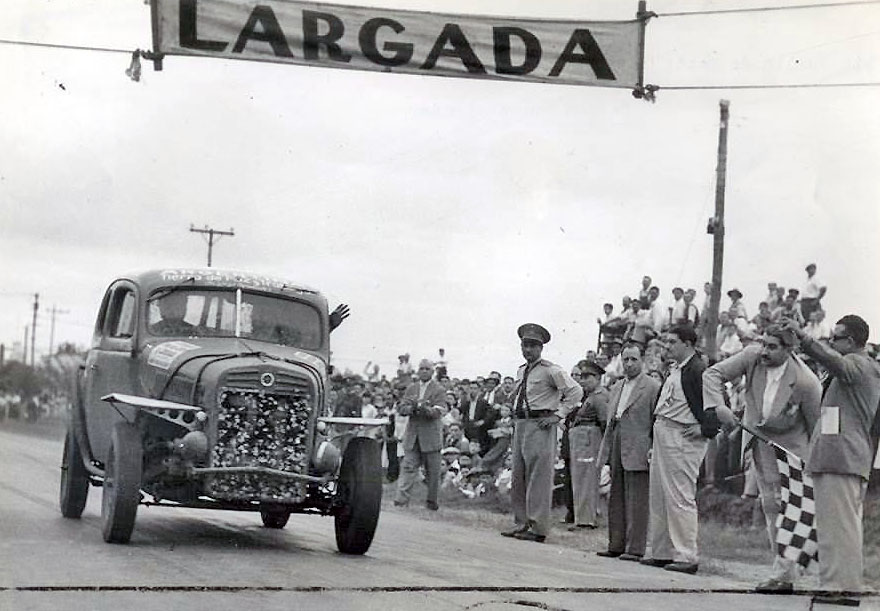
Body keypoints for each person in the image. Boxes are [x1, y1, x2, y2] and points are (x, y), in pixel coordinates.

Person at [703, 324, 821, 594]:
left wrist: (812, 465)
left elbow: (816, 428)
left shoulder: (807, 382)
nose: (764, 351)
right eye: (764, 344)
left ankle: (787, 575)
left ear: (790, 350)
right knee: (770, 507)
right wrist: (719, 406)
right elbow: (713, 374)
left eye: (772, 347)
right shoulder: (751, 356)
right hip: (759, 444)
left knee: (789, 509)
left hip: (793, 451)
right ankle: (783, 571)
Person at [788, 315, 880, 594]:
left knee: (837, 526)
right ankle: (842, 582)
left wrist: (804, 336)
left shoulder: (857, 364)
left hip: (842, 457)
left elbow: (834, 361)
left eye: (835, 337)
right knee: (838, 524)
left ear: (850, 341)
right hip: (839, 456)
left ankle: (839, 584)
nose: (830, 342)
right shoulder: (859, 369)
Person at [641, 325, 719, 574]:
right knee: (659, 495)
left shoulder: (699, 369)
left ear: (687, 343)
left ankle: (686, 555)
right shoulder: (676, 369)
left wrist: (706, 429)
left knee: (679, 495)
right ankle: (662, 551)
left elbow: (719, 403)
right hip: (664, 431)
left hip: (683, 435)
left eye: (673, 342)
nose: (667, 346)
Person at [500, 323, 583, 543]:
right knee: (519, 476)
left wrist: (558, 415)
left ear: (541, 348)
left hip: (541, 424)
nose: (528, 350)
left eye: (533, 346)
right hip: (521, 424)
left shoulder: (551, 370)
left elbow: (575, 391)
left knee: (538, 477)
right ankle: (521, 522)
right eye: (525, 345)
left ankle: (538, 527)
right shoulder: (521, 370)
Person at [596, 344, 660, 560]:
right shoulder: (616, 387)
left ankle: (634, 548)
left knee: (637, 500)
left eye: (633, 359)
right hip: (617, 441)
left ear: (642, 360)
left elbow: (655, 421)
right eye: (626, 360)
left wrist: (651, 447)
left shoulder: (652, 387)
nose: (629, 364)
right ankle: (616, 544)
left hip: (640, 446)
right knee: (616, 496)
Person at [394, 359, 447, 510]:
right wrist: (414, 407)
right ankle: (401, 501)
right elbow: (402, 408)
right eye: (421, 368)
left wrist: (420, 407)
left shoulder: (439, 389)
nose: (424, 371)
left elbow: (438, 411)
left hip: (431, 437)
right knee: (408, 468)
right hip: (412, 436)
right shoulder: (411, 388)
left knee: (433, 473)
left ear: (432, 371)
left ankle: (431, 503)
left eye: (427, 369)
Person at [567, 361, 609, 530]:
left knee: (586, 479)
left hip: (589, 439)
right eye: (581, 377)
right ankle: (583, 518)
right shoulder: (590, 396)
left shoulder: (599, 397)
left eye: (587, 377)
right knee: (581, 479)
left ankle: (585, 520)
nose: (583, 380)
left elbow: (605, 422)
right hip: (582, 438)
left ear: (598, 378)